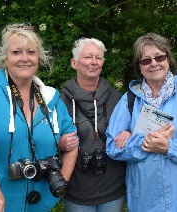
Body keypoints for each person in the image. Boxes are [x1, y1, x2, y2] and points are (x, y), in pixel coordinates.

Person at [0, 23, 78, 212]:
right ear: (5, 57)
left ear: (38, 57)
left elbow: (73, 141)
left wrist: (56, 186)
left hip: (40, 204)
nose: (25, 58)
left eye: (31, 52)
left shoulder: (50, 97)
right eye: (16, 52)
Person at [106, 33, 177, 212]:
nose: (153, 63)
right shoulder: (128, 100)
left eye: (159, 57)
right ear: (139, 67)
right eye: (146, 60)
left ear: (168, 59)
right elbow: (112, 147)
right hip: (146, 201)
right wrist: (143, 144)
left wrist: (169, 147)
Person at [59, 38, 126, 212]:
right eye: (88, 57)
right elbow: (44, 140)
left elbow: (134, 132)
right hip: (76, 189)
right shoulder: (59, 102)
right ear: (74, 63)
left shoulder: (118, 99)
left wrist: (129, 133)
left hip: (112, 187)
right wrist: (60, 143)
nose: (94, 62)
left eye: (98, 58)